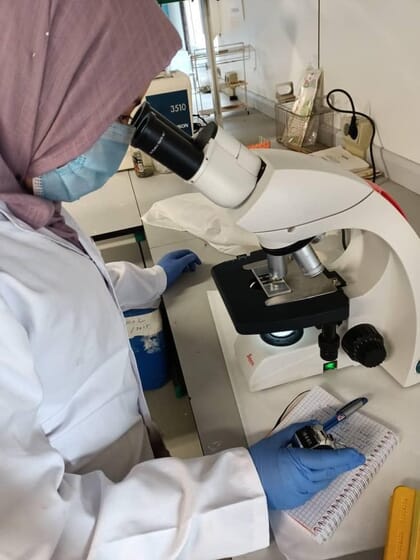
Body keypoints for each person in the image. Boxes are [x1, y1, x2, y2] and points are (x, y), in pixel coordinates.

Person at [0, 2, 365, 559]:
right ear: (39, 96)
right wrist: (244, 488)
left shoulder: (24, 204)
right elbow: (39, 539)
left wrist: (147, 280)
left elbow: (64, 295)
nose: (126, 129)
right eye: (115, 108)